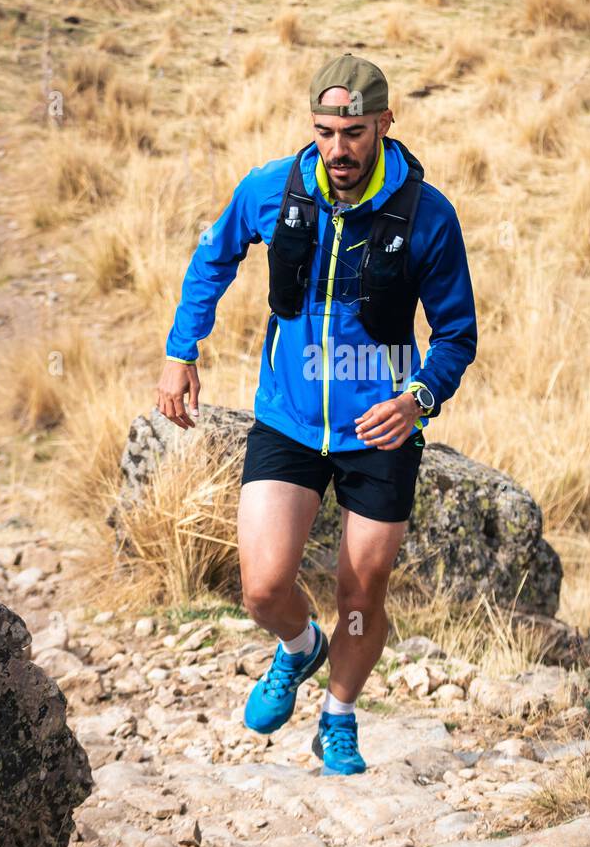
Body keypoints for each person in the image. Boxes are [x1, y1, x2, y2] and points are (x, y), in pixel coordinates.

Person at [157, 53, 478, 774]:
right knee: (264, 587)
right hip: (290, 418)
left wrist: (419, 398)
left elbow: (457, 334)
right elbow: (213, 257)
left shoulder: (427, 215)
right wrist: (182, 350)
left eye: (355, 132)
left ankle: (338, 715)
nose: (339, 149)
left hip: (382, 429)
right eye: (326, 132)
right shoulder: (274, 188)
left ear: (385, 126)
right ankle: (301, 649)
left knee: (361, 592)